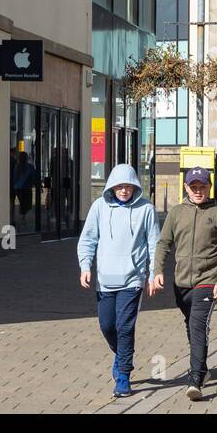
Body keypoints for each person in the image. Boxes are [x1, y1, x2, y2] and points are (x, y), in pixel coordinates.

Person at [77, 163, 160, 398]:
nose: (124, 191)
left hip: (132, 279)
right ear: (111, 187)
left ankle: (123, 375)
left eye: (128, 187)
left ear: (135, 187)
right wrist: (85, 266)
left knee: (125, 327)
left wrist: (153, 274)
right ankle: (120, 352)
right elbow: (88, 240)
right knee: (107, 325)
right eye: (119, 186)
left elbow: (154, 244)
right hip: (105, 279)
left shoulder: (146, 209)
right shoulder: (99, 207)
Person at [152, 167, 217, 401]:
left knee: (197, 325)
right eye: (193, 187)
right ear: (186, 187)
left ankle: (195, 378)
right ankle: (202, 366)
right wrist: (157, 270)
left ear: (209, 187)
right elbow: (163, 243)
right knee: (192, 325)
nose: (198, 191)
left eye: (202, 187)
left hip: (208, 280)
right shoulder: (176, 213)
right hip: (181, 282)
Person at [11, 150, 37, 222]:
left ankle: (22, 215)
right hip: (27, 187)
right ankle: (23, 216)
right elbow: (34, 176)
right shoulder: (30, 166)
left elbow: (14, 177)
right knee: (27, 203)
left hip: (18, 188)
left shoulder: (17, 166)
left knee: (22, 202)